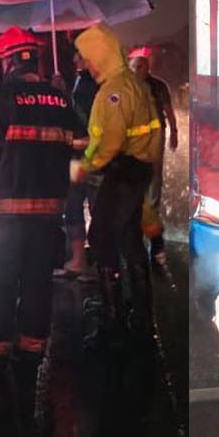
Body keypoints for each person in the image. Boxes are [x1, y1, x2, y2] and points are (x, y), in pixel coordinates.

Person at [0, 29, 82, 394]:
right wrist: (68, 190)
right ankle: (32, 350)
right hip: (47, 217)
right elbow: (82, 151)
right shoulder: (60, 100)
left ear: (7, 60)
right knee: (38, 284)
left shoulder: (1, 99)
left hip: (3, 217)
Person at [73, 25, 164, 347]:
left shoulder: (113, 91)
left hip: (122, 171)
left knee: (101, 240)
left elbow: (109, 142)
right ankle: (140, 317)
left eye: (86, 57)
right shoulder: (131, 84)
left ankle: (112, 321)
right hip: (136, 170)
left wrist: (83, 167)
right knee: (129, 243)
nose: (84, 64)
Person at [128, 45, 178, 272]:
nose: (140, 69)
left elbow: (168, 110)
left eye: (143, 65)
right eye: (136, 65)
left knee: (154, 177)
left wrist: (174, 132)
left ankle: (152, 212)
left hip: (155, 137)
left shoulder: (158, 86)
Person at [59, 47, 100, 280]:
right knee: (73, 206)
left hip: (92, 158)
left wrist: (77, 141)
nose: (74, 59)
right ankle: (79, 260)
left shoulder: (95, 84)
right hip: (78, 160)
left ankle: (101, 263)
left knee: (96, 208)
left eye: (79, 54)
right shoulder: (79, 81)